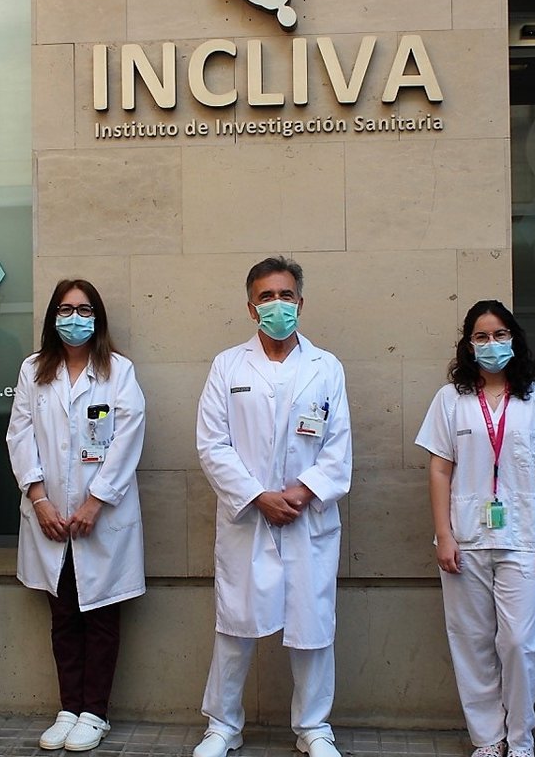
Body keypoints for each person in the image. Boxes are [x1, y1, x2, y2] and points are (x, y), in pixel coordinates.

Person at [193, 256, 352, 757]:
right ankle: (223, 725)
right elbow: (212, 444)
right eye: (266, 297)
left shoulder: (326, 367)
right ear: (250, 307)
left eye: (286, 296)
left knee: (312, 624)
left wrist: (301, 492)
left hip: (307, 518)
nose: (277, 305)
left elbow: (338, 446)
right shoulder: (227, 366)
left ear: (301, 303)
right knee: (235, 625)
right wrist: (258, 496)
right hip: (249, 518)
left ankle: (313, 728)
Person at [414, 300, 535, 757]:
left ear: (514, 339)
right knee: (472, 641)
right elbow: (439, 469)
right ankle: (487, 738)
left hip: (523, 536)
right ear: (468, 345)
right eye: (481, 337)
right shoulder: (451, 399)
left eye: (500, 335)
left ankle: (520, 737)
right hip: (465, 538)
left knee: (520, 642)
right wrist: (444, 534)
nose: (491, 344)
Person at [6, 279, 147, 752]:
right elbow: (19, 435)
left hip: (102, 517)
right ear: (52, 317)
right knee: (63, 614)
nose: (74, 318)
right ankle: (68, 708)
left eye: (84, 310)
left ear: (97, 318)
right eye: (65, 310)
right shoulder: (33, 370)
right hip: (48, 515)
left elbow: (128, 438)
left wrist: (95, 502)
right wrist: (39, 499)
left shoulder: (118, 371)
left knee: (101, 615)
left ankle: (95, 713)